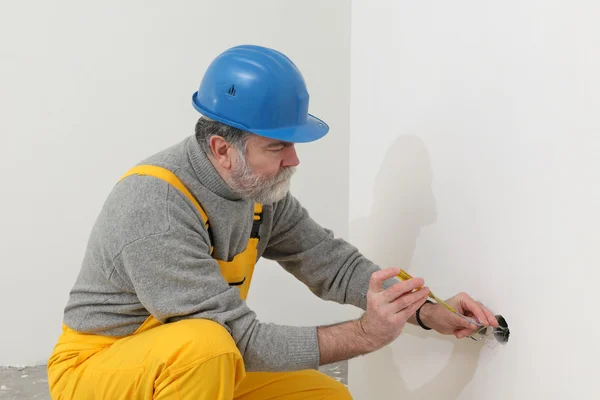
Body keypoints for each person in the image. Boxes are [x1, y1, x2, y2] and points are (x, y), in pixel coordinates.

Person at [47, 44, 499, 400]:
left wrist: (425, 307)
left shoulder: (259, 192)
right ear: (223, 148)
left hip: (191, 368)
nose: (294, 158)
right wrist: (364, 334)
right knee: (206, 347)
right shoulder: (156, 207)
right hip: (97, 372)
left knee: (323, 396)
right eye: (277, 146)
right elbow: (238, 341)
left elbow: (330, 263)